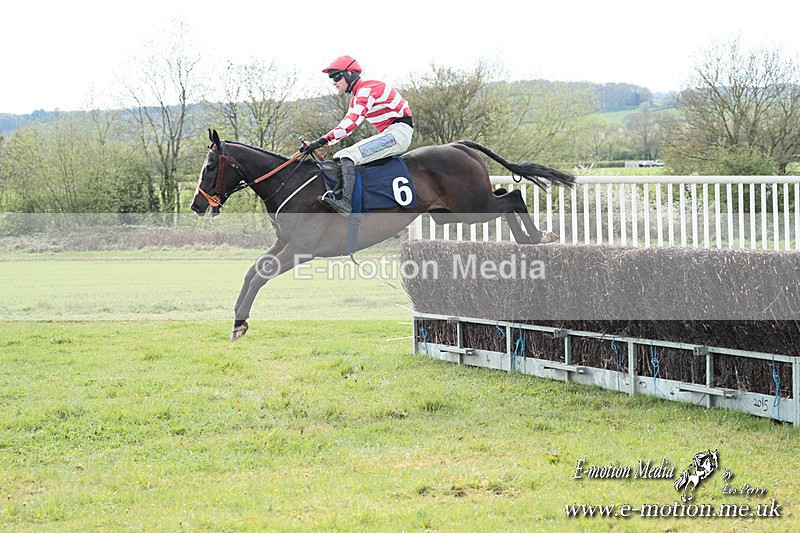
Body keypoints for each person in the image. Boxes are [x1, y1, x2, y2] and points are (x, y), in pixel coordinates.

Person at [300, 55, 413, 215]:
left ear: (350, 74)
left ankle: (346, 203)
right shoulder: (357, 98)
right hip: (392, 132)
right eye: (331, 78)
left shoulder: (366, 89)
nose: (333, 82)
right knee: (341, 155)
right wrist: (323, 142)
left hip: (398, 133)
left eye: (337, 76)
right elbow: (347, 123)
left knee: (347, 154)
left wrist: (322, 141)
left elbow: (351, 123)